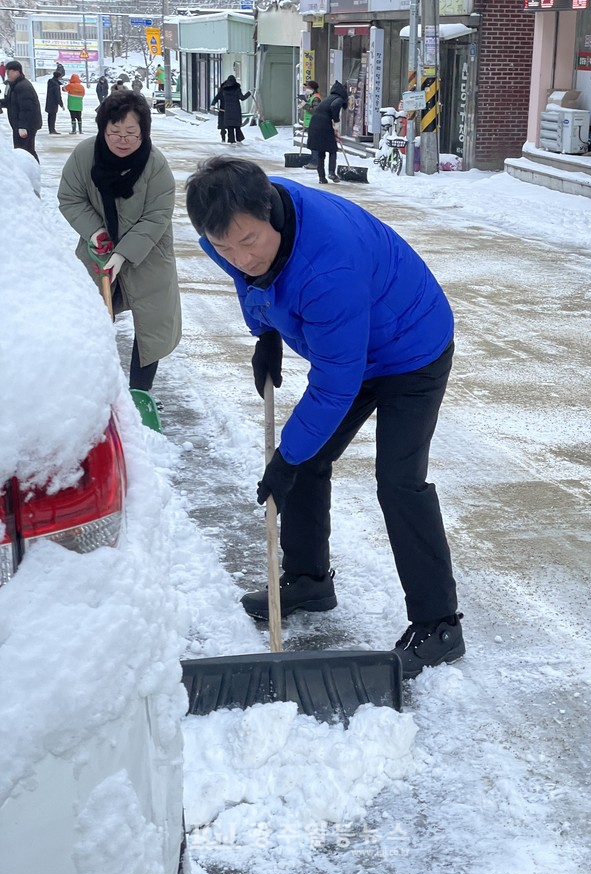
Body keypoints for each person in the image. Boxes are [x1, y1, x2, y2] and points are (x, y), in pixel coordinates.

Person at [185, 157, 464, 679]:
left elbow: (337, 381)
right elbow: (249, 281)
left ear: (269, 213)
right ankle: (309, 579)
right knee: (309, 457)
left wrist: (285, 458)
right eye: (224, 246)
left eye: (248, 242)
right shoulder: (230, 229)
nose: (238, 256)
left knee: (398, 482)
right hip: (354, 343)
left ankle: (440, 624)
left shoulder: (327, 266)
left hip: (412, 348)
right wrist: (264, 330)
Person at [58, 90, 182, 395]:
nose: (122, 140)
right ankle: (98, 391)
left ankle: (140, 394)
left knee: (150, 325)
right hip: (97, 251)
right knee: (93, 320)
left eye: (131, 133)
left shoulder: (155, 164)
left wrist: (124, 254)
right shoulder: (84, 156)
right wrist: (96, 233)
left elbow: (157, 216)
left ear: (144, 132)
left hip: (148, 254)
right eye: (114, 132)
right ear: (103, 130)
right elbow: (70, 198)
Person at [307, 80, 348, 185]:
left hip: (315, 124)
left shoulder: (328, 98)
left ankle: (322, 178)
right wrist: (337, 123)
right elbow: (334, 107)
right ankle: (331, 173)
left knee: (321, 151)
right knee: (332, 150)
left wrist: (333, 126)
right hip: (324, 125)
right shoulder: (338, 99)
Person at [0, 61, 42, 161]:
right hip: (19, 125)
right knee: (24, 150)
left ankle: (31, 171)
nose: (7, 75)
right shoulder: (14, 85)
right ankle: (31, 171)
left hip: (26, 126)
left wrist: (23, 127)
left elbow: (27, 109)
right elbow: (10, 102)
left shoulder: (23, 87)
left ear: (17, 72)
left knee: (25, 151)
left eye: (9, 72)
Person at [220, 74, 251, 145]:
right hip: (236, 109)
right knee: (237, 125)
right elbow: (242, 98)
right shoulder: (237, 89)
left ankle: (231, 140)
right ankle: (239, 138)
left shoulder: (224, 90)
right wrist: (249, 93)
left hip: (227, 110)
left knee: (230, 126)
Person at [300, 80, 321, 170]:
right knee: (312, 144)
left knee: (314, 144)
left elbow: (315, 111)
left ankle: (314, 162)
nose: (306, 89)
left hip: (314, 124)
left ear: (313, 88)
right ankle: (313, 161)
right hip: (310, 124)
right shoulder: (311, 97)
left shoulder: (316, 98)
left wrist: (305, 106)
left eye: (308, 87)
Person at [45, 70, 64, 134]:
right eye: (61, 77)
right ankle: (52, 130)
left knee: (50, 116)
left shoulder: (50, 82)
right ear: (58, 77)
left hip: (49, 102)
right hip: (53, 103)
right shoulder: (56, 85)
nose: (61, 78)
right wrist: (61, 104)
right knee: (53, 117)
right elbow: (58, 96)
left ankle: (51, 129)